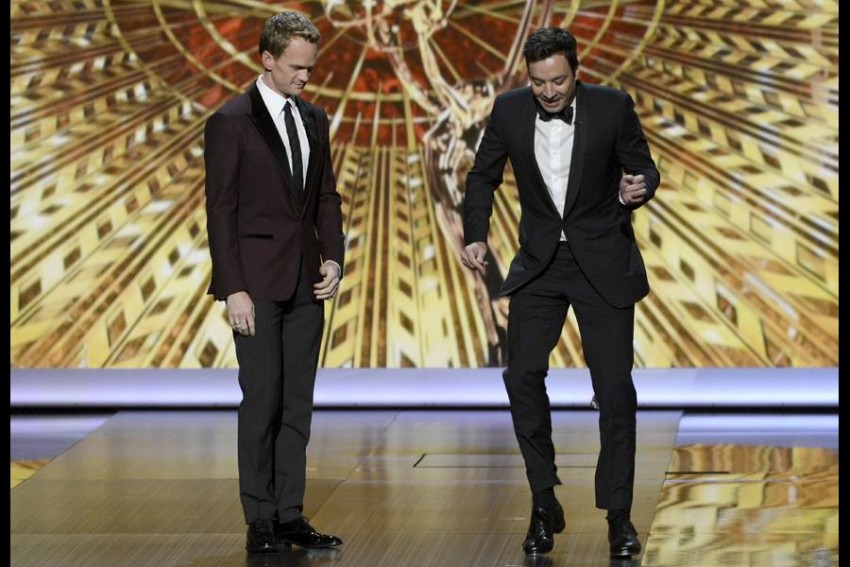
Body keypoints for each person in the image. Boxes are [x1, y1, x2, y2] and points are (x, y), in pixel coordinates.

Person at [461, 26, 659, 559]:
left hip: (603, 261)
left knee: (614, 390)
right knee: (521, 374)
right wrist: (475, 234)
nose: (548, 92)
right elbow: (482, 176)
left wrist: (637, 188)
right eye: (538, 82)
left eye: (558, 81)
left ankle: (618, 515)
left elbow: (643, 167)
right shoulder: (508, 111)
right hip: (541, 264)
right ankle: (543, 498)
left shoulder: (613, 106)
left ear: (576, 71)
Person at [204, 11, 345, 554]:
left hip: (306, 282)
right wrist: (233, 287)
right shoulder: (231, 121)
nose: (305, 76)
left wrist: (333, 259)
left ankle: (289, 514)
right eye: (295, 67)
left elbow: (326, 196)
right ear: (267, 59)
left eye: (310, 67)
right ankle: (260, 517)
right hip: (256, 285)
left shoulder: (315, 118)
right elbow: (221, 210)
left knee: (297, 404)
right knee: (262, 400)